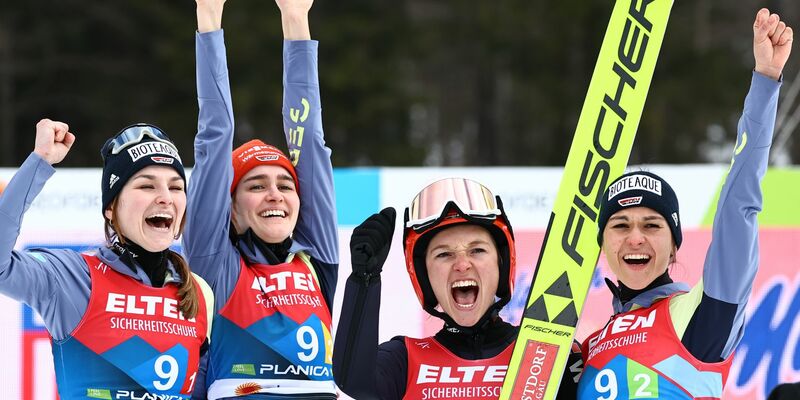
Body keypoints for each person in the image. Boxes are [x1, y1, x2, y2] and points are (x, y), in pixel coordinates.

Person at [576, 8, 793, 399]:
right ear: (603, 243)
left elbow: (739, 206)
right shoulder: (587, 349)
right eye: (620, 225)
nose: (635, 238)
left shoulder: (698, 314)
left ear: (675, 243)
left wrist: (764, 82)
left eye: (652, 225)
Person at [184, 0, 339, 398]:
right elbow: (214, 137)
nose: (275, 194)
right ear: (231, 209)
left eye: (285, 185)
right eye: (255, 186)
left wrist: (295, 17)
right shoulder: (215, 266)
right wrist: (209, 16)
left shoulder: (316, 258)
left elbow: (312, 147)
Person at [0, 119, 214, 399]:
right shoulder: (75, 279)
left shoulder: (197, 291)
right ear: (111, 208)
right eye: (147, 186)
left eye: (175, 187)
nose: (165, 198)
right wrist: (40, 161)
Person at [333, 177, 583, 399]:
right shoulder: (405, 359)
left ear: (501, 265)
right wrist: (364, 280)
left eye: (477, 250)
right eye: (444, 254)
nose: (462, 265)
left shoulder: (548, 353)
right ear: (425, 277)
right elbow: (353, 382)